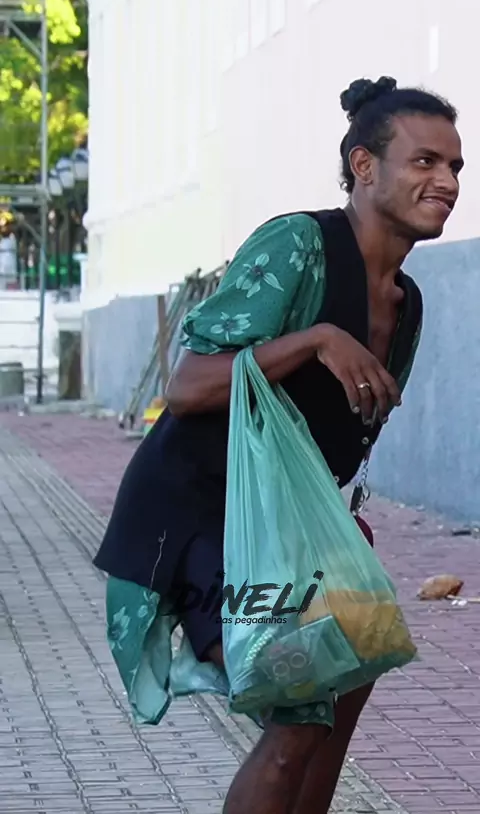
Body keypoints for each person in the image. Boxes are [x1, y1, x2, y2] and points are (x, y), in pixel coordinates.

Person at [94, 75, 463, 813]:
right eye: (424, 161)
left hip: (288, 527)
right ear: (364, 166)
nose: (447, 182)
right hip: (198, 516)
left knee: (350, 670)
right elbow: (189, 385)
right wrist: (315, 339)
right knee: (299, 702)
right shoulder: (299, 245)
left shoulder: (407, 303)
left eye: (455, 166)